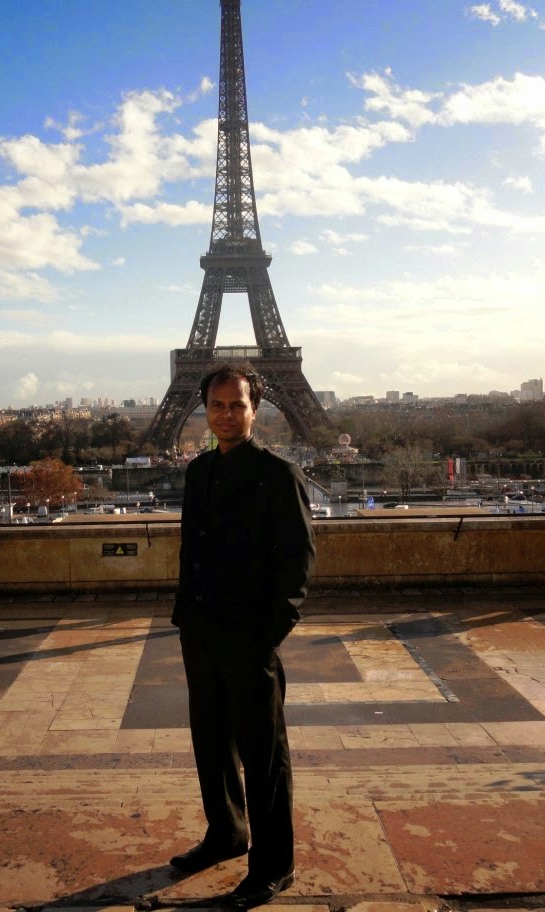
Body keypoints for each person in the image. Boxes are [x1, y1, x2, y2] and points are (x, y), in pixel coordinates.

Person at [169, 362, 315, 907]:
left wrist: (269, 633)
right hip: (202, 630)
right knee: (210, 742)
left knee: (263, 754)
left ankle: (275, 864)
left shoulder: (280, 475)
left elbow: (297, 562)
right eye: (216, 405)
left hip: (249, 635)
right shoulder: (197, 471)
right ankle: (226, 832)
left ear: (255, 410)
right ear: (204, 410)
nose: (225, 414)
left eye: (236, 405)